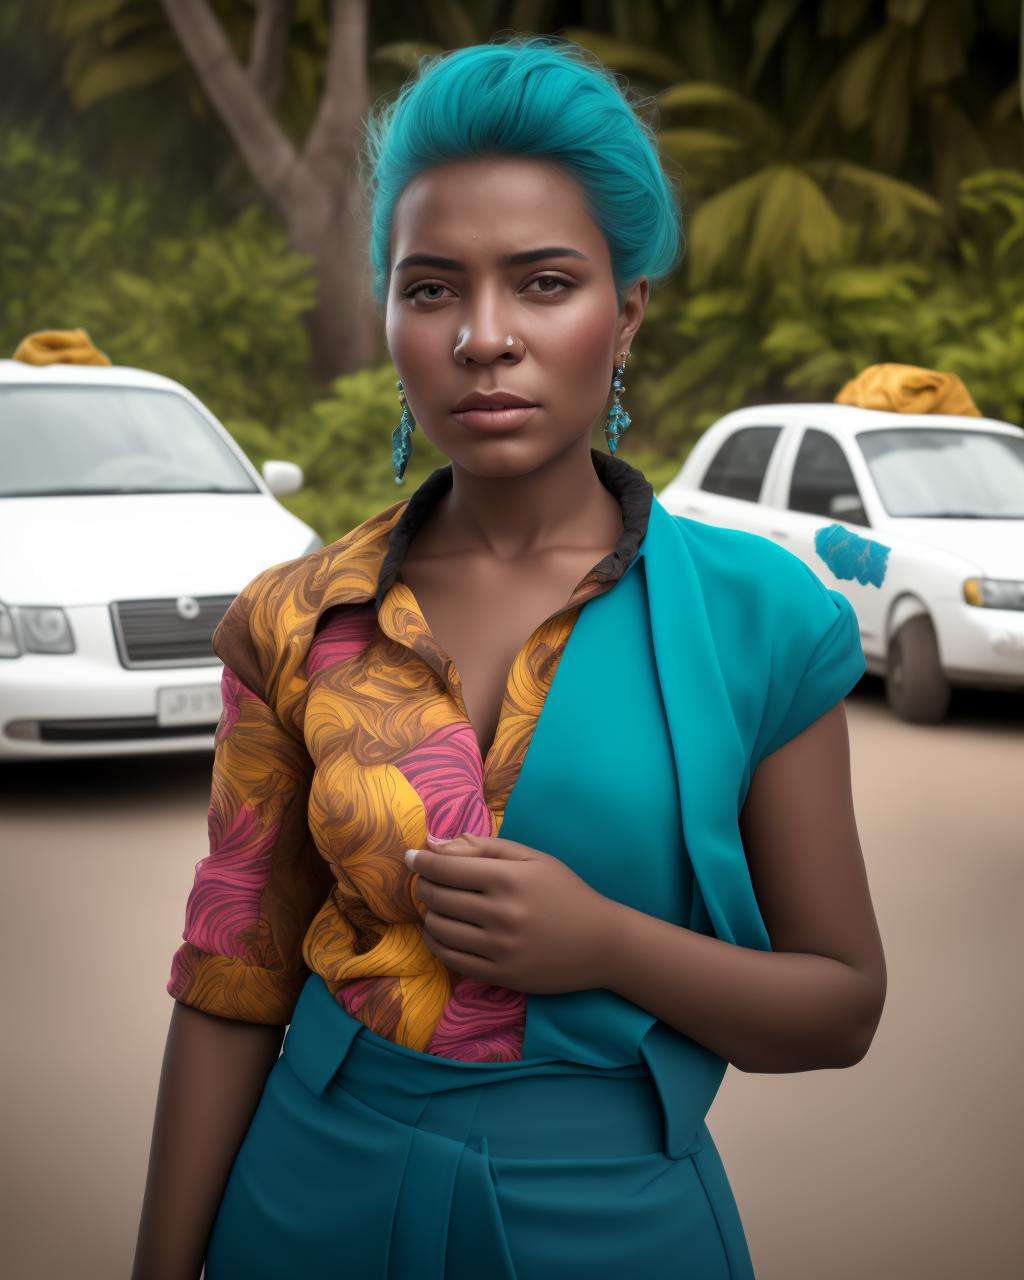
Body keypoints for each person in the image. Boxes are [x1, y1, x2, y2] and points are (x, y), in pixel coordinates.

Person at [132, 35, 886, 1280]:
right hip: (307, 1192)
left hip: (615, 1218)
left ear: (626, 308)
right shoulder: (291, 618)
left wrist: (606, 944)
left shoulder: (764, 621)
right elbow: (232, 980)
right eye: (431, 289)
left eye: (543, 283)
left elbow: (841, 1006)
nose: (484, 337)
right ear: (387, 313)